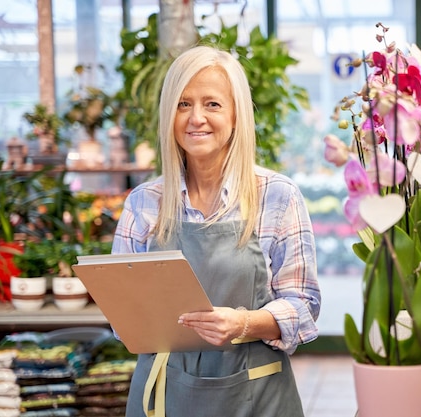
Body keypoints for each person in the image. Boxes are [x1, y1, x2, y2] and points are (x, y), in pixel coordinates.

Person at [111, 45, 321, 417]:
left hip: (257, 395)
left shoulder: (276, 196)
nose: (196, 118)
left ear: (237, 114)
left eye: (212, 104)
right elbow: (123, 317)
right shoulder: (145, 202)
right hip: (165, 397)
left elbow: (303, 305)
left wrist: (244, 323)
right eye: (183, 104)